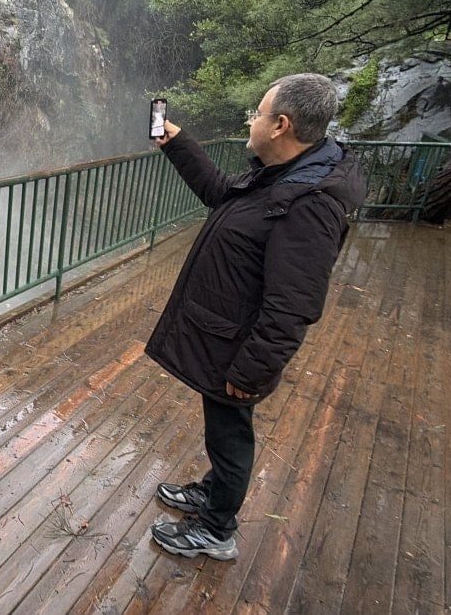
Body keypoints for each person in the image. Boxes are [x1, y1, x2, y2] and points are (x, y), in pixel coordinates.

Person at [144, 73, 367, 560]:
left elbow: (294, 304)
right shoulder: (285, 176)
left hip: (240, 350)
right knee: (221, 430)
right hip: (226, 337)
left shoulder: (310, 204)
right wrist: (178, 143)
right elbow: (223, 194)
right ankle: (214, 494)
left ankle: (217, 531)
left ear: (281, 125)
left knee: (230, 436)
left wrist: (252, 370)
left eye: (258, 112)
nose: (251, 120)